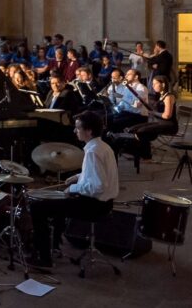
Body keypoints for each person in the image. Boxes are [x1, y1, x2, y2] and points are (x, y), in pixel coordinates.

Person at [29, 111, 118, 269]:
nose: (75, 131)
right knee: (58, 201)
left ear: (89, 131)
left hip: (94, 205)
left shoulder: (92, 152)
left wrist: (73, 187)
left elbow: (97, 186)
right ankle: (54, 245)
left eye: (78, 128)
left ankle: (44, 259)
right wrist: (79, 176)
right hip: (106, 203)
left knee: (38, 207)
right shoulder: (103, 147)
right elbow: (98, 174)